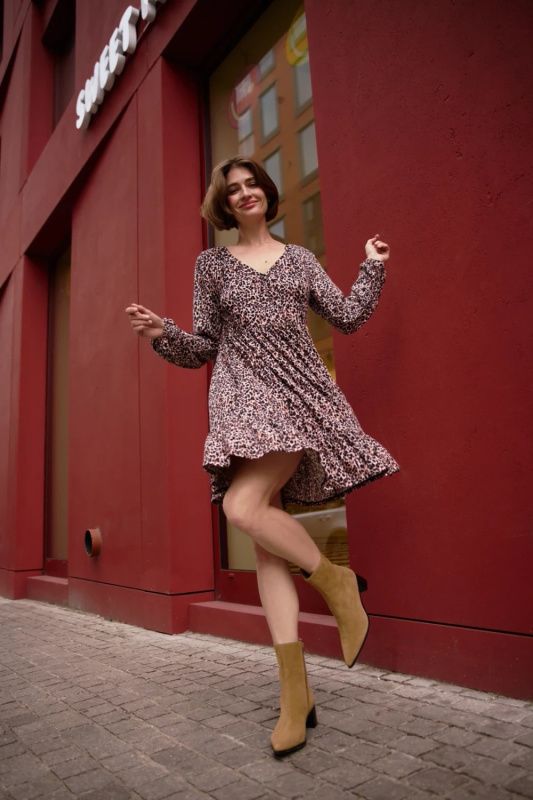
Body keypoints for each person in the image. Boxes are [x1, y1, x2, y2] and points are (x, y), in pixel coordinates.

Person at [125, 155, 399, 757]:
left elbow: (347, 317)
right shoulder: (212, 265)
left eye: (253, 184)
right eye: (234, 189)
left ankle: (338, 584)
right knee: (264, 540)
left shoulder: (298, 259)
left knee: (242, 507)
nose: (245, 193)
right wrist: (162, 334)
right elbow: (203, 346)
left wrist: (372, 267)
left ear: (266, 194)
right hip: (239, 398)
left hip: (296, 394)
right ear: (223, 204)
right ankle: (295, 695)